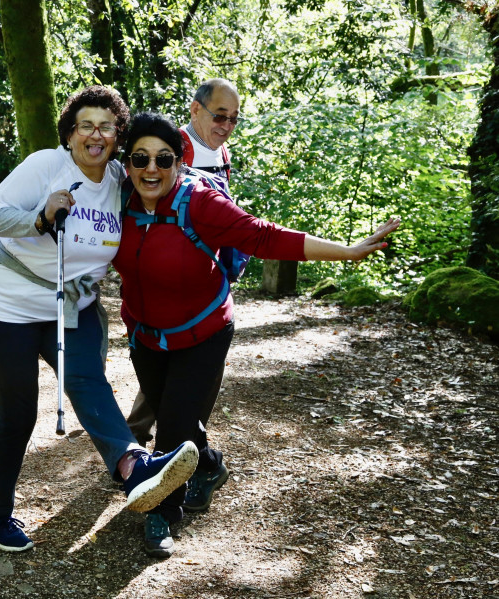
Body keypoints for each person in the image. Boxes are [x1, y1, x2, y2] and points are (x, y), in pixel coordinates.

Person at [114, 112, 401, 557]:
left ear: (179, 162)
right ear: (127, 162)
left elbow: (264, 237)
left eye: (163, 158)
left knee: (171, 427)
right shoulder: (118, 200)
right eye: (140, 158)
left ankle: (163, 513)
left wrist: (344, 253)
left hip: (204, 332)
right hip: (147, 336)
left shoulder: (201, 202)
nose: (151, 168)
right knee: (180, 417)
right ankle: (208, 466)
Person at [0, 86, 201, 553]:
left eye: (105, 126)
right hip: (5, 307)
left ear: (117, 134)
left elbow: (169, 180)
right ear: (70, 133)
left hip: (71, 307)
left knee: (87, 380)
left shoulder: (122, 178)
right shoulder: (46, 165)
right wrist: (39, 218)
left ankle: (133, 467)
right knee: (18, 414)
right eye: (85, 126)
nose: (95, 135)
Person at [127, 78, 242, 446]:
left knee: (196, 373)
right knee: (169, 368)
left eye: (233, 120)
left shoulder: (221, 154)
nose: (225, 127)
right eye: (219, 116)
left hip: (210, 276)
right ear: (195, 109)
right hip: (166, 282)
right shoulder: (172, 150)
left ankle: (174, 445)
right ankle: (152, 442)